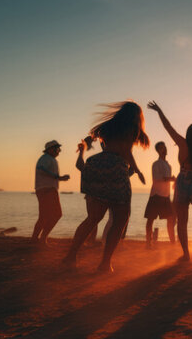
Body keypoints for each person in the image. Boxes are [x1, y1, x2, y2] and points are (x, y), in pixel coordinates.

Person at [63, 101, 148, 272]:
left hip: (97, 165)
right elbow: (125, 151)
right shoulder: (131, 128)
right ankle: (104, 263)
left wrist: (84, 147)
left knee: (93, 218)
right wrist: (137, 170)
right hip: (116, 169)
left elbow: (94, 138)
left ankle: (70, 256)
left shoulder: (108, 127)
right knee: (120, 219)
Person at [147, 101, 192, 261]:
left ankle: (186, 254)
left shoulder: (182, 143)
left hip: (183, 182)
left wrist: (159, 110)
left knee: (182, 221)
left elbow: (168, 126)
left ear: (189, 134)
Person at [32, 140, 70, 244]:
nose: (59, 151)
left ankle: (36, 239)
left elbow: (47, 173)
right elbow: (41, 169)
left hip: (45, 189)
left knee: (45, 216)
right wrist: (58, 177)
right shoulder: (46, 158)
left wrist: (60, 178)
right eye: (58, 148)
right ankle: (41, 238)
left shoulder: (48, 159)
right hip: (47, 189)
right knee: (56, 214)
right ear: (51, 149)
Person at [144, 141, 176, 248]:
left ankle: (172, 242)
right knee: (150, 219)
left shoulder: (168, 165)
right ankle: (148, 242)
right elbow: (156, 179)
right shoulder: (156, 164)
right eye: (162, 148)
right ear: (158, 151)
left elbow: (167, 180)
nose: (164, 149)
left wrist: (172, 181)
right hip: (156, 195)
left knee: (171, 219)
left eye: (165, 147)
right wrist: (171, 179)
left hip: (166, 196)